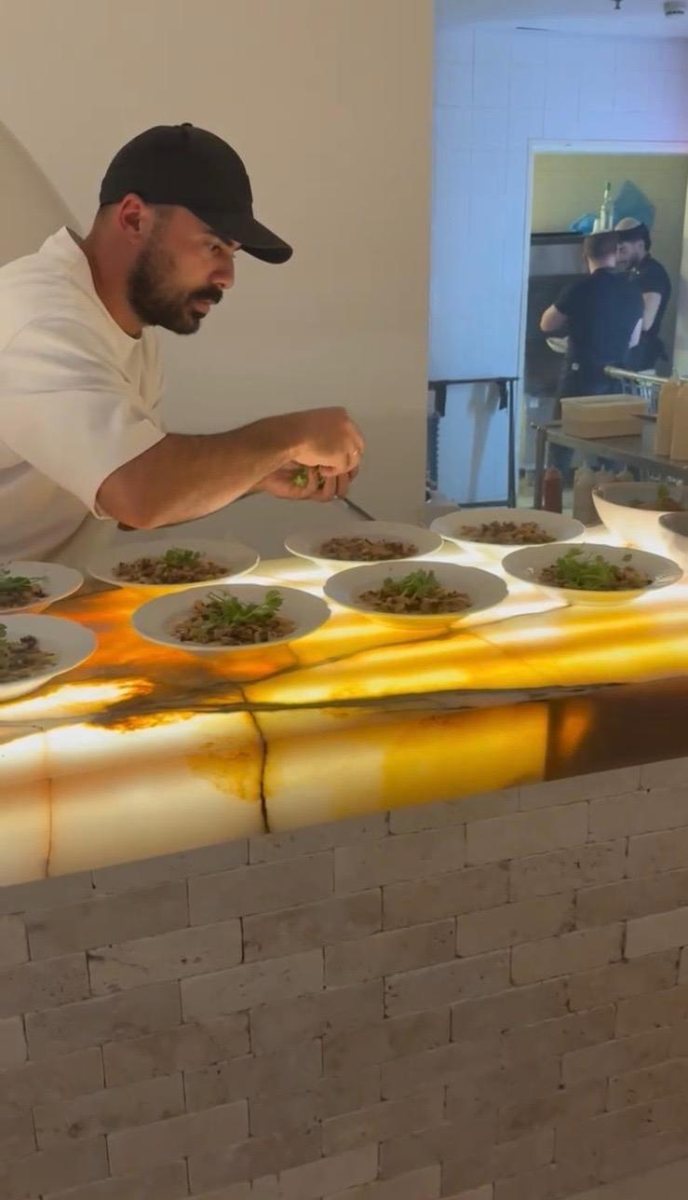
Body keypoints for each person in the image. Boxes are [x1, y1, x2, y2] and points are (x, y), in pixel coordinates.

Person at [0, 124, 364, 561]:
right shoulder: (40, 318)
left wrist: (259, 472)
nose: (228, 277)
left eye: (232, 254)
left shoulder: (127, 327)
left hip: (49, 596)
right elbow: (139, 496)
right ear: (134, 218)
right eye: (213, 247)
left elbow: (130, 501)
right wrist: (286, 436)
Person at [540, 230, 643, 410]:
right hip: (617, 380)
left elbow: (546, 324)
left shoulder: (578, 288)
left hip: (581, 378)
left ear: (584, 256)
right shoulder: (633, 292)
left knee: (568, 425)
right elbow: (634, 340)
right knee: (607, 427)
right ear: (616, 253)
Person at [615, 217, 672, 373]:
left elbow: (646, 321)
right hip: (628, 354)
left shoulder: (652, 273)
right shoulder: (633, 272)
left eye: (623, 250)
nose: (618, 257)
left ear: (640, 245)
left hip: (639, 358)